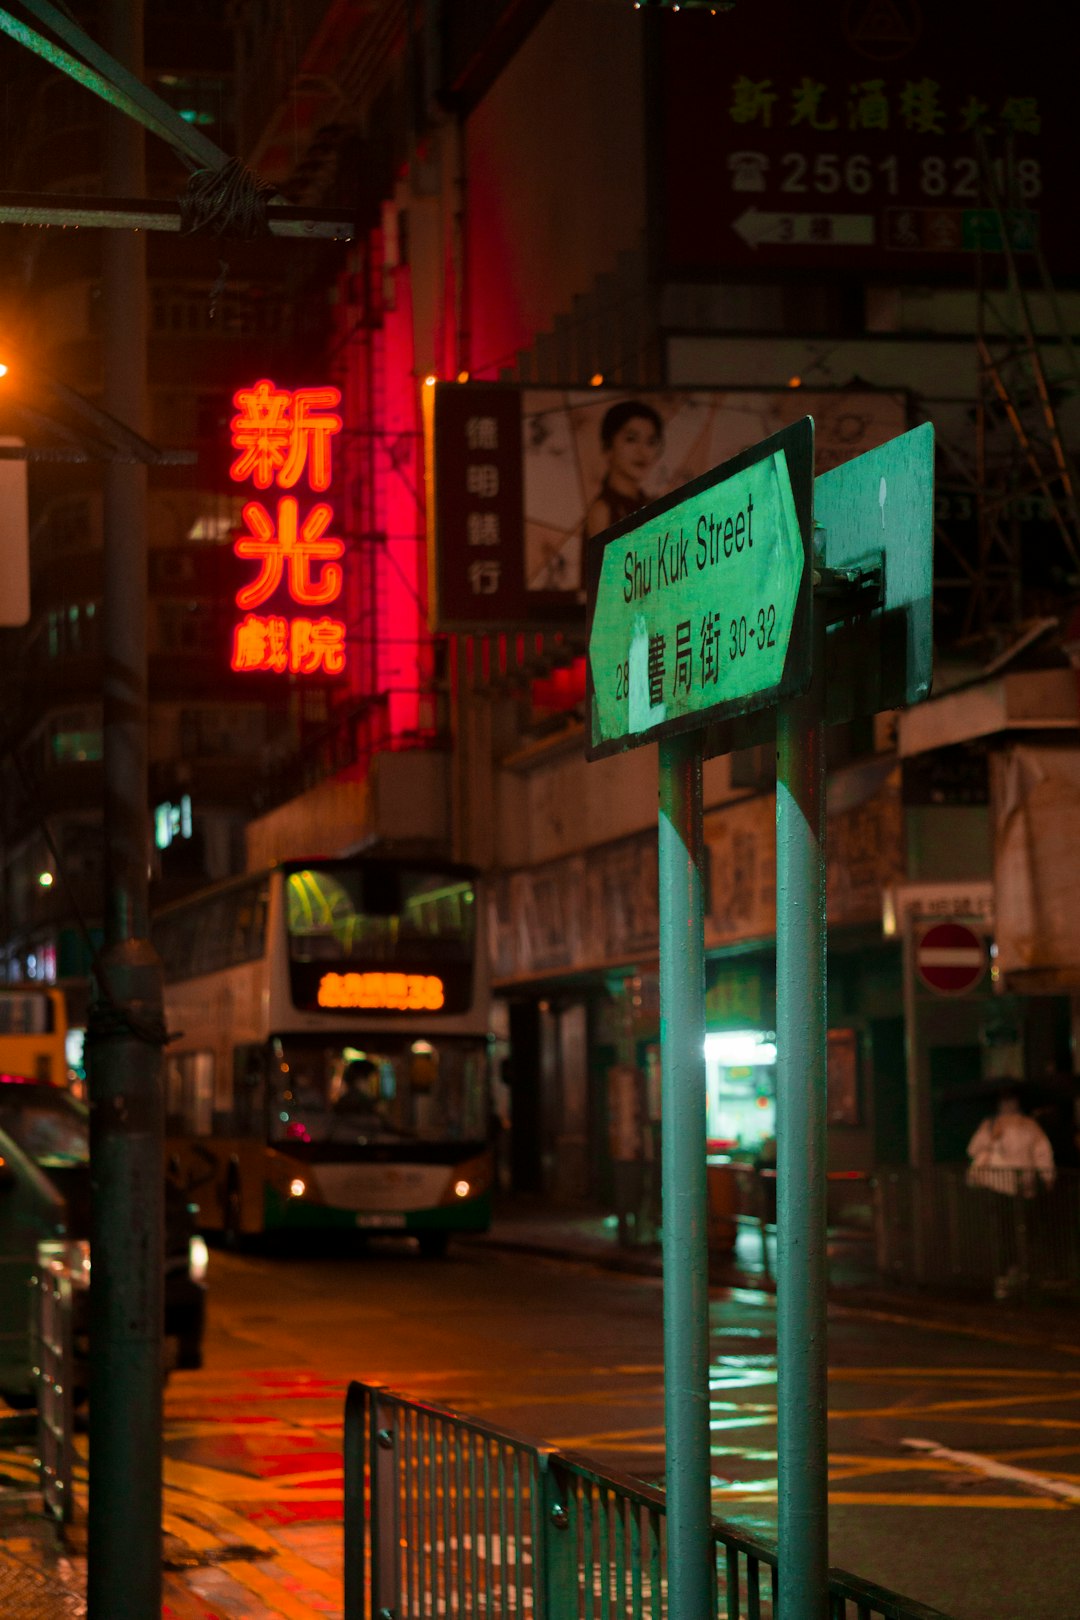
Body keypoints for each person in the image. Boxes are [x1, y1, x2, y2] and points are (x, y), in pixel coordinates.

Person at [966, 1086, 1055, 1298]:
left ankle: (1012, 1274)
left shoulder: (1018, 1125)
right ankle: (1014, 1273)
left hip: (1007, 1185)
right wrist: (1047, 1177)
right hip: (1015, 1185)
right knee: (1015, 1231)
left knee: (1010, 1231)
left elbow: (973, 1150)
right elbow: (1043, 1153)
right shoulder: (1012, 1125)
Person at [583, 400, 664, 542]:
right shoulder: (603, 511)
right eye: (631, 439)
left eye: (651, 442)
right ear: (608, 447)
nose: (642, 451)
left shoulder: (650, 504)